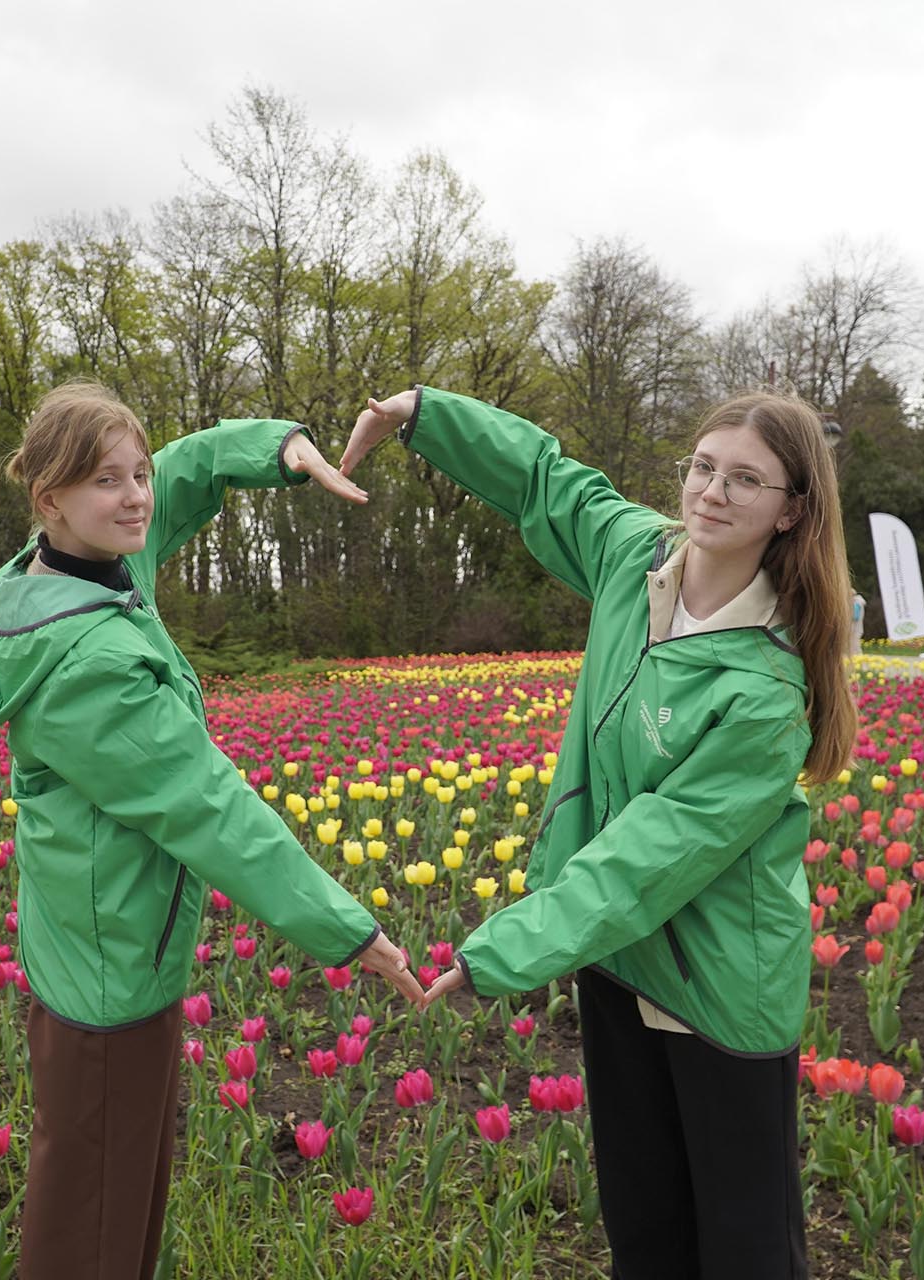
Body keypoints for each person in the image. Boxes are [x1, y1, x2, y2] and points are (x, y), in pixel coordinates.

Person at [343, 385, 856, 1280]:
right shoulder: (636, 560)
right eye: (704, 467)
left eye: (745, 480)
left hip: (718, 990)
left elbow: (649, 857)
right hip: (618, 961)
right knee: (644, 1233)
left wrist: (502, 950)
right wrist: (422, 414)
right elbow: (548, 479)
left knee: (745, 1251)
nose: (713, 492)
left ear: (792, 511)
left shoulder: (764, 694)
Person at [0, 382, 425, 1280]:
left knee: (112, 1201)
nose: (136, 497)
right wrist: (349, 931)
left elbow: (191, 464)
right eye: (105, 482)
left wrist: (281, 450)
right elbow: (212, 809)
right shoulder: (87, 669)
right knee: (94, 1228)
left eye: (137, 475)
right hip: (111, 972)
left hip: (98, 938)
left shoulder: (83, 569)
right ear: (50, 500)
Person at [851, 590, 866, 655]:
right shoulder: (859, 602)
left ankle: (858, 661)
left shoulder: (856, 603)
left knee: (855, 645)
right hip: (858, 627)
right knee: (856, 645)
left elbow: (855, 617)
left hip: (855, 628)